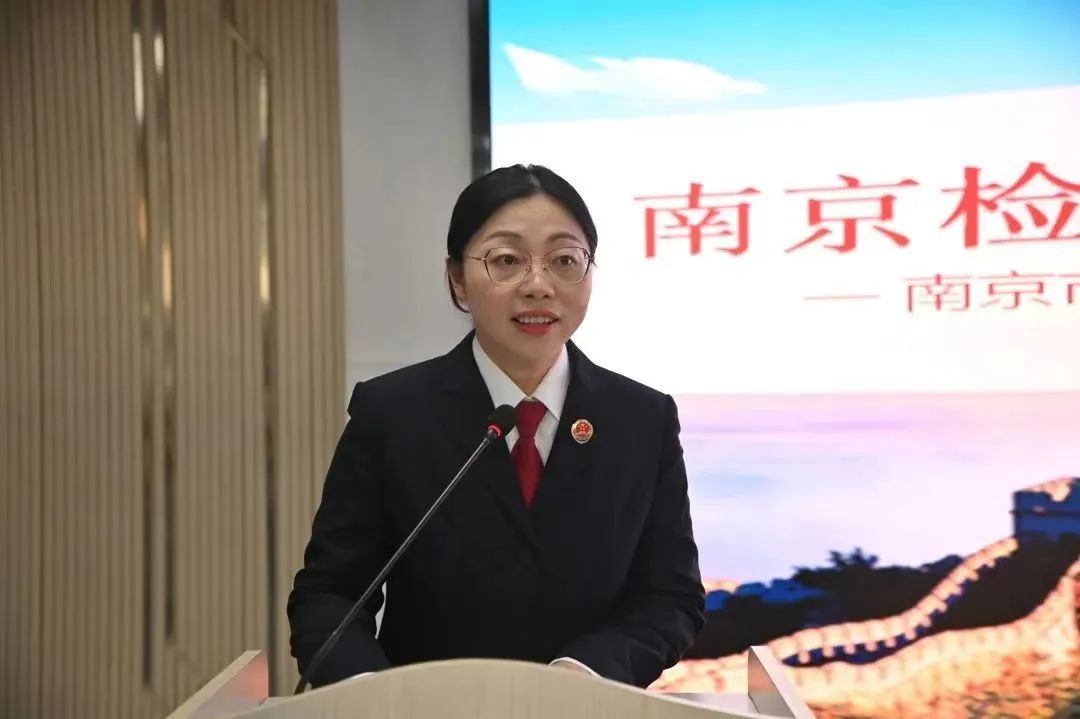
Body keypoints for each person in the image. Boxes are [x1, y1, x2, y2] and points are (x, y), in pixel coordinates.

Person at [287, 164, 705, 689]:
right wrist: (376, 698)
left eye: (565, 260)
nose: (538, 286)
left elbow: (671, 598)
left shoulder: (642, 419)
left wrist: (583, 676)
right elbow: (330, 595)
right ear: (457, 279)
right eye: (507, 260)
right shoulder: (392, 414)